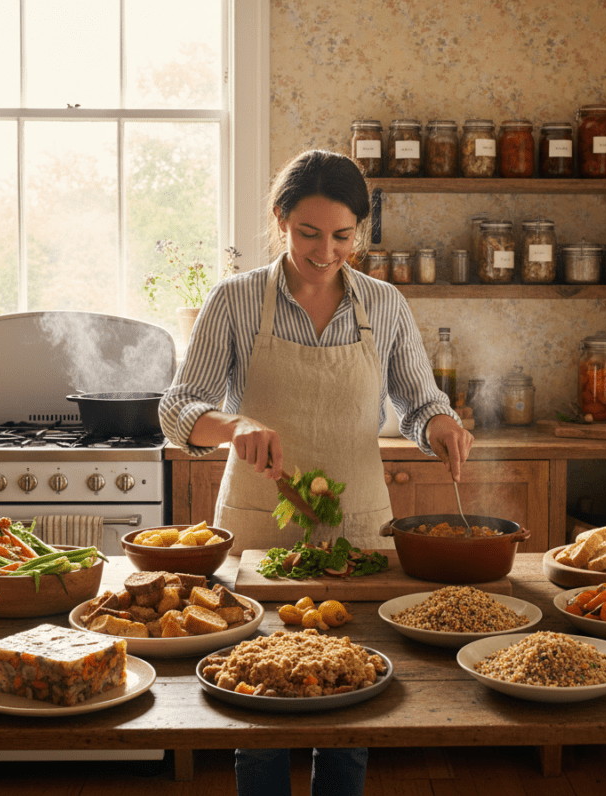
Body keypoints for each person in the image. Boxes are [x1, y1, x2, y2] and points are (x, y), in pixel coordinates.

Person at [159, 149, 473, 796]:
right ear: (280, 221)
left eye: (342, 236)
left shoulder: (384, 305)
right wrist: (235, 427)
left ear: (359, 231)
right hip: (256, 534)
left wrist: (438, 425)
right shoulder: (236, 300)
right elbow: (177, 408)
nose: (325, 252)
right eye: (308, 233)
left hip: (358, 534)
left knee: (350, 703)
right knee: (259, 704)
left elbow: (418, 403)